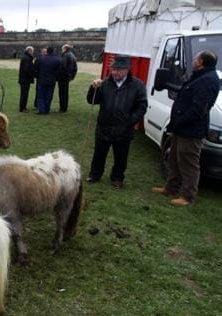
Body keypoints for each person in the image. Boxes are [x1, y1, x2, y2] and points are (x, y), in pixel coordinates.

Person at [152, 50, 220, 206]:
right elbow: (186, 93)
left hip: (191, 130)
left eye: (196, 58)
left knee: (189, 163)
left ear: (201, 62)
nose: (193, 60)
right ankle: (170, 188)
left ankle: (188, 196)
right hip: (181, 128)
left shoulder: (208, 81)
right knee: (175, 159)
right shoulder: (199, 76)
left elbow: (199, 109)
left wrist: (180, 121)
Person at [85, 55, 148, 188]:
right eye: (113, 69)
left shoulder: (137, 85)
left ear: (126, 70)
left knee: (121, 157)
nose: (115, 72)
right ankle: (95, 174)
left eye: (118, 70)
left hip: (124, 129)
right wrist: (93, 88)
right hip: (104, 126)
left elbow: (142, 106)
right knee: (99, 154)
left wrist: (130, 121)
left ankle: (117, 178)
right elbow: (92, 101)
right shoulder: (105, 83)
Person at [34, 46, 61, 114]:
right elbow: (59, 70)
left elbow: (35, 69)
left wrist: (38, 76)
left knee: (41, 95)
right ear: (53, 51)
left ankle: (41, 109)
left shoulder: (41, 59)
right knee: (49, 95)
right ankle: (46, 109)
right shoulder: (57, 60)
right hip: (52, 80)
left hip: (42, 79)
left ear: (47, 51)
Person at [58, 44, 78, 113]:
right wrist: (72, 76)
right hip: (67, 76)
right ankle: (64, 107)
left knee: (62, 93)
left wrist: (59, 75)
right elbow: (75, 68)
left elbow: (63, 66)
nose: (61, 50)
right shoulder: (72, 55)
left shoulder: (66, 55)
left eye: (62, 49)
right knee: (65, 93)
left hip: (63, 77)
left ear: (65, 49)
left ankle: (62, 108)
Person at [18, 46, 35, 113]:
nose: (33, 53)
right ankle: (22, 108)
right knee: (24, 94)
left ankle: (23, 107)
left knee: (25, 94)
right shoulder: (26, 58)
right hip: (25, 79)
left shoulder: (26, 57)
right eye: (32, 51)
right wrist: (32, 73)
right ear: (30, 51)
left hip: (24, 79)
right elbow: (26, 69)